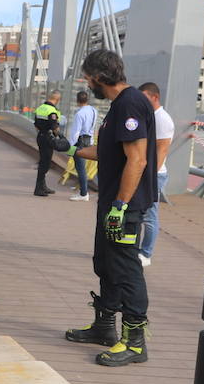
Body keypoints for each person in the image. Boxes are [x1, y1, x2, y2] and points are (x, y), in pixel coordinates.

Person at [62, 50, 156, 366]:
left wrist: (119, 206)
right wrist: (71, 148)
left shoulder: (130, 103)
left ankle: (135, 342)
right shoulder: (119, 105)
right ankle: (105, 327)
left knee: (126, 269)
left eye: (89, 80)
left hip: (124, 208)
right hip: (112, 204)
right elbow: (107, 151)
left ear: (100, 77)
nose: (88, 86)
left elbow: (138, 159)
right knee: (106, 264)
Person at [136, 82, 174, 267]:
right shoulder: (149, 116)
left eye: (144, 97)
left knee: (150, 214)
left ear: (155, 97)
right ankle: (137, 250)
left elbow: (162, 149)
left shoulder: (163, 119)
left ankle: (146, 253)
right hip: (144, 171)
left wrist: (150, 175)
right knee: (140, 212)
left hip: (154, 175)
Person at [65, 89, 97, 202]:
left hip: (80, 141)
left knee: (80, 168)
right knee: (82, 167)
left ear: (77, 100)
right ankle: (83, 191)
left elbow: (75, 132)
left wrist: (69, 147)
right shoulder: (93, 110)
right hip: (88, 140)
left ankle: (84, 193)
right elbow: (93, 127)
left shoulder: (79, 113)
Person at [32, 90, 63, 196]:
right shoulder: (52, 111)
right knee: (45, 163)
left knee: (43, 161)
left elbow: (35, 125)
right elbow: (55, 127)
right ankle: (38, 188)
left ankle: (42, 186)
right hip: (48, 138)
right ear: (57, 99)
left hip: (40, 136)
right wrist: (61, 137)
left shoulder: (40, 108)